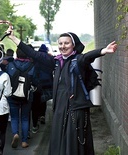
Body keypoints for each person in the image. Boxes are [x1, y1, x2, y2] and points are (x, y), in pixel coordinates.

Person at [6, 27, 117, 155]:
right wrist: (13, 38)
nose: (63, 46)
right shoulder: (56, 62)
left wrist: (103, 51)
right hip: (60, 108)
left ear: (73, 45)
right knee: (59, 142)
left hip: (75, 109)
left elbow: (88, 57)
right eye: (60, 43)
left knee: (74, 143)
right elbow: (34, 54)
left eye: (66, 43)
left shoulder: (78, 60)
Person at [6, 47, 34, 149]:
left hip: (13, 95)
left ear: (16, 54)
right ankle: (24, 141)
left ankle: (15, 134)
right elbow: (35, 81)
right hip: (26, 95)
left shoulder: (11, 65)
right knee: (25, 118)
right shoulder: (32, 66)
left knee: (14, 117)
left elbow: (8, 78)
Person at [31, 44, 53, 133]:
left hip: (37, 84)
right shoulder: (49, 58)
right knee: (43, 100)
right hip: (47, 83)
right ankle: (42, 115)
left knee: (35, 104)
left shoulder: (36, 57)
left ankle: (35, 124)